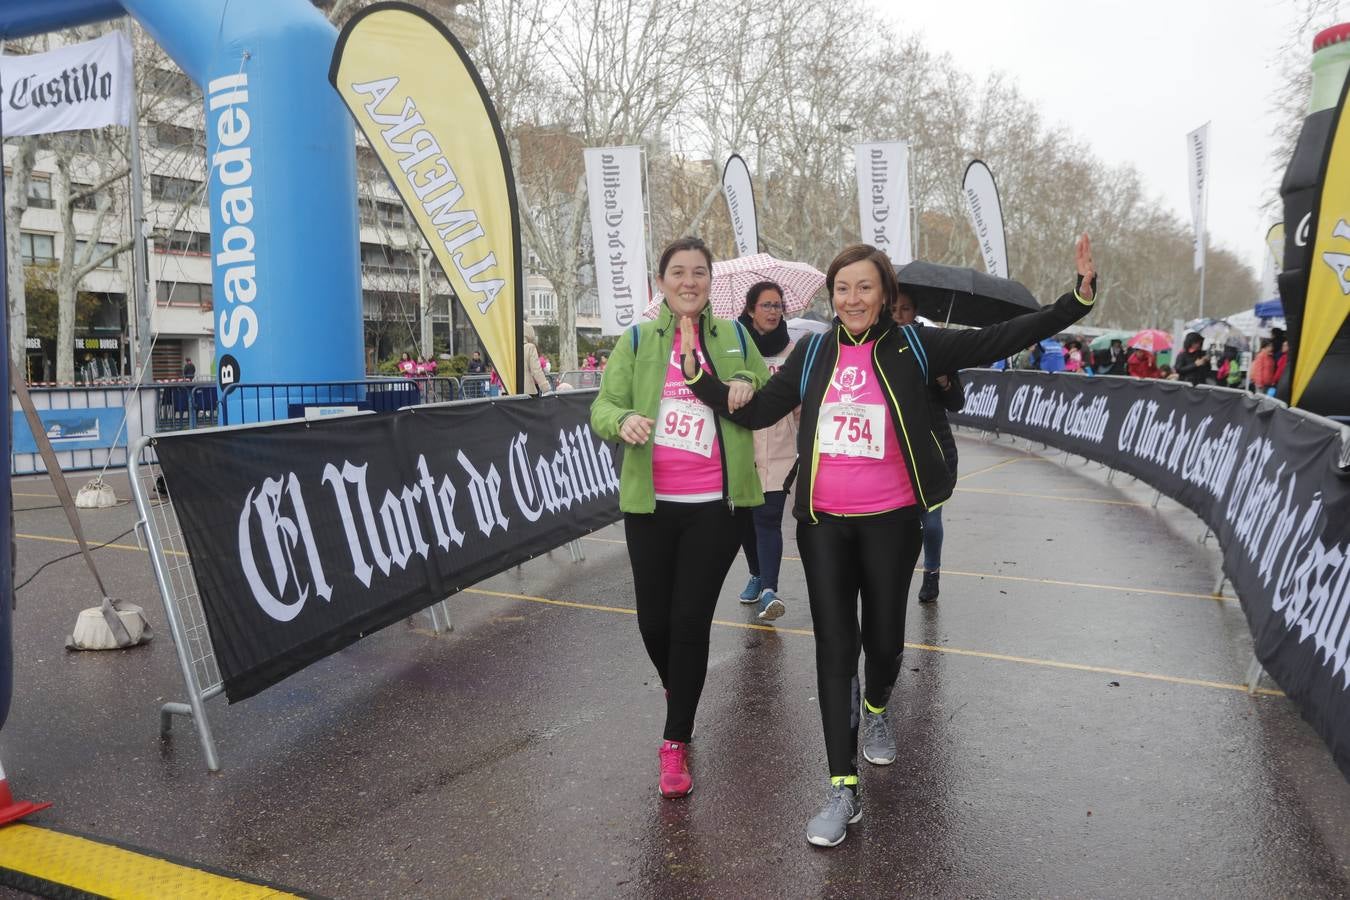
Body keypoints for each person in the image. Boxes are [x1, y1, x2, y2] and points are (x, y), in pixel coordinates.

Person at [682, 235, 1097, 847]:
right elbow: (757, 412)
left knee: (882, 638)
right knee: (832, 647)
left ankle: (876, 705)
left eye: (864, 287)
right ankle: (840, 787)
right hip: (822, 521)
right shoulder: (814, 351)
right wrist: (704, 382)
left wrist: (1076, 300)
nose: (852, 298)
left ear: (885, 295)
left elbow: (998, 339)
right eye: (842, 288)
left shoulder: (914, 345)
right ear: (832, 295)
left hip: (891, 519)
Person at [590, 236, 770, 800]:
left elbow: (769, 389)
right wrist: (622, 422)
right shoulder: (639, 339)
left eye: (698, 272)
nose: (689, 281)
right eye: (678, 272)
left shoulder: (737, 336)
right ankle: (683, 689)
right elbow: (601, 406)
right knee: (654, 625)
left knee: (690, 623)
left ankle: (676, 741)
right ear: (661, 282)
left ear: (710, 281)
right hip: (650, 506)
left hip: (717, 508)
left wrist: (746, 382)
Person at [891, 292, 963, 603]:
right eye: (892, 309)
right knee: (900, 528)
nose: (898, 315)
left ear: (915, 312)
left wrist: (944, 381)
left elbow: (957, 403)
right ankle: (892, 578)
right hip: (893, 456)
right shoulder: (878, 349)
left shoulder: (932, 347)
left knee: (931, 522)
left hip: (934, 451)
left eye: (904, 309)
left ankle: (931, 573)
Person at [735, 280, 798, 621]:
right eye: (766, 305)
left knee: (768, 517)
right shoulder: (735, 349)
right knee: (745, 520)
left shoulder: (792, 351)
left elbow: (801, 399)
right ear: (750, 310)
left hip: (780, 447)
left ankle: (770, 590)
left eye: (778, 305)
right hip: (743, 446)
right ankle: (756, 573)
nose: (774, 311)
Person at [521, 323, 551, 395]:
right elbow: (536, 370)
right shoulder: (530, 347)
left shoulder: (507, 348)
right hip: (527, 390)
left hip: (508, 391)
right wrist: (546, 388)